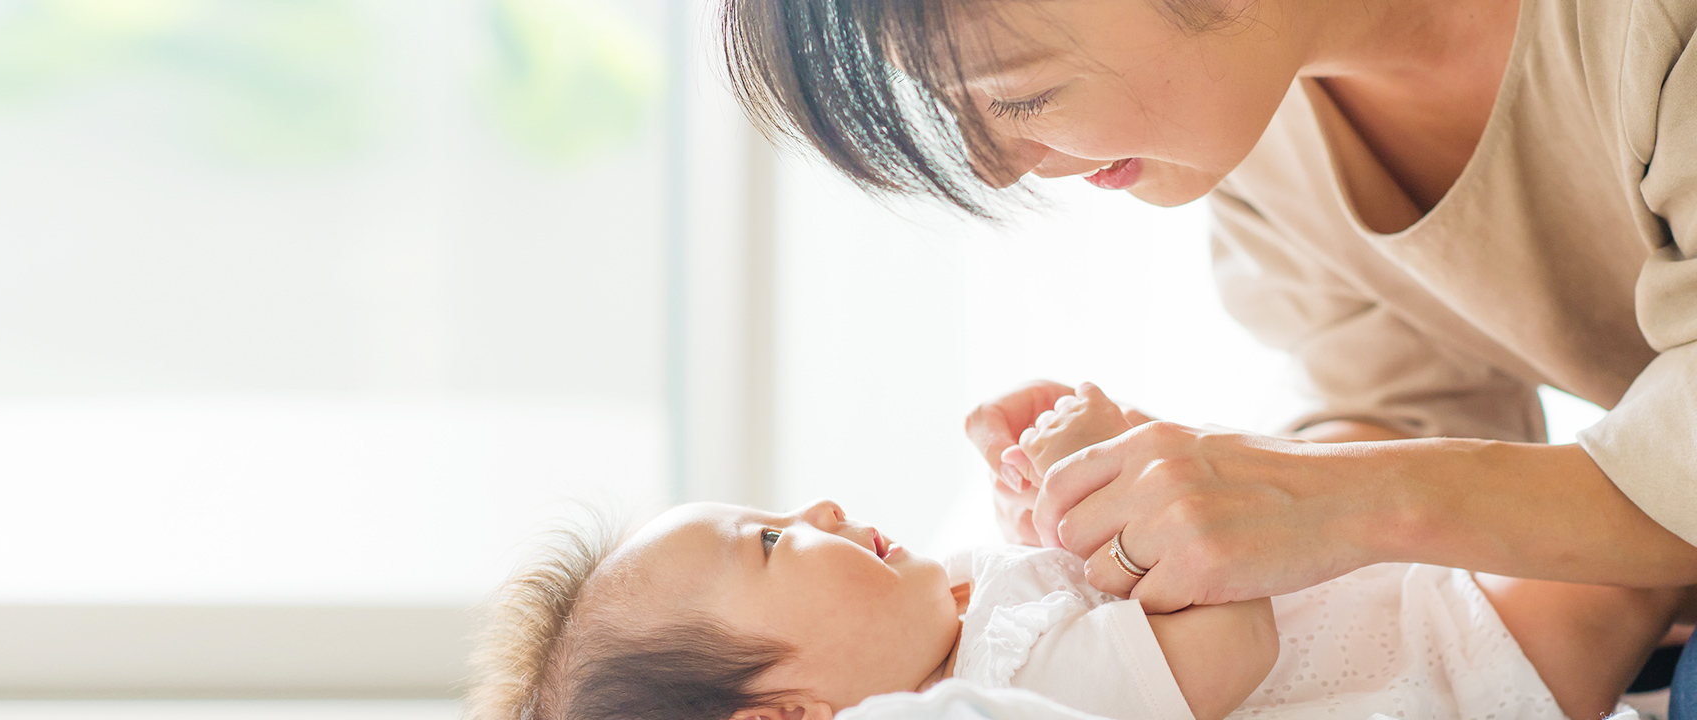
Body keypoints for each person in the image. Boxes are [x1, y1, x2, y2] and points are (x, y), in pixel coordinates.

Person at [720, 0, 1697, 709]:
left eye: (1021, 97)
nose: (996, 164)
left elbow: (1404, 485)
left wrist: (1339, 499)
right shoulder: (1267, 132)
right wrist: (1174, 501)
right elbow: (1409, 419)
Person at [465, 386, 1688, 720]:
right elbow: (1221, 632)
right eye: (775, 541)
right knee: (1637, 537)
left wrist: (1053, 493)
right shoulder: (984, 702)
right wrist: (1111, 455)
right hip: (1456, 666)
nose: (825, 509)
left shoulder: (971, 623)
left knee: (1634, 511)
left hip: (1421, 602)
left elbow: (1099, 583)